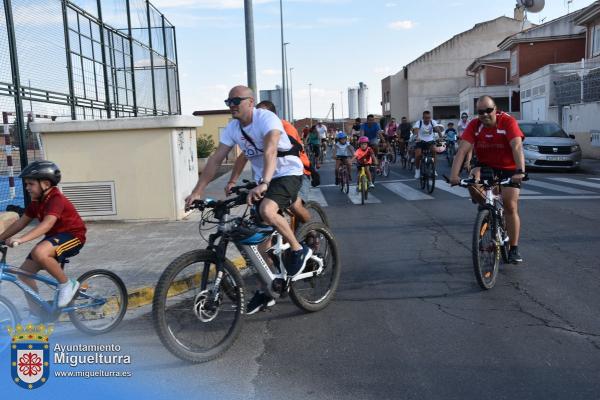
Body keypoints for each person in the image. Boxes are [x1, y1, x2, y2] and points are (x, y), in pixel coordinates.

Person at [185, 85, 311, 314]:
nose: (231, 105)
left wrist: (264, 182)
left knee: (267, 210)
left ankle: (297, 249)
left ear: (250, 102)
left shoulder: (266, 118)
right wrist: (198, 191)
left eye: (236, 101)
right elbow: (215, 159)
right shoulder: (233, 128)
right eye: (228, 102)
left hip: (286, 173)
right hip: (263, 178)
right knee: (257, 237)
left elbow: (271, 150)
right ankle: (269, 287)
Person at [0, 161, 86, 322]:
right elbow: (20, 223)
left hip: (73, 236)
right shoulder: (36, 203)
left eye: (30, 184)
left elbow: (47, 224)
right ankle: (37, 314)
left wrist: (21, 239)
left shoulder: (56, 199)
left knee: (40, 252)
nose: (27, 187)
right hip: (53, 239)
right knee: (24, 275)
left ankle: (67, 284)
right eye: (26, 184)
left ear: (46, 183)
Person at [449, 95, 526, 264]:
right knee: (472, 183)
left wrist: (520, 171)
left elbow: (517, 146)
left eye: (488, 110)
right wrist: (454, 176)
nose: (484, 115)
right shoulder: (475, 125)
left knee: (510, 205)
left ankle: (513, 248)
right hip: (485, 165)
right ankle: (487, 209)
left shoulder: (507, 122)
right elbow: (462, 150)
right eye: (480, 112)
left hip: (509, 168)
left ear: (495, 109)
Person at [226, 100, 311, 224]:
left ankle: (311, 231)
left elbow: (275, 151)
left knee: (294, 206)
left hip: (297, 172)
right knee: (263, 213)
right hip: (272, 176)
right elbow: (244, 155)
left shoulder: (284, 127)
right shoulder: (256, 128)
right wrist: (232, 181)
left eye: (262, 113)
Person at [412, 110, 441, 179]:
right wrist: (417, 136)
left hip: (430, 141)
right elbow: (416, 129)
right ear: (423, 117)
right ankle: (417, 170)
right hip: (420, 141)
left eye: (429, 117)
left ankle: (433, 169)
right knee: (418, 155)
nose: (427, 119)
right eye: (426, 118)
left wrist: (441, 136)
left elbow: (437, 128)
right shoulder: (419, 122)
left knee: (434, 151)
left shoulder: (432, 122)